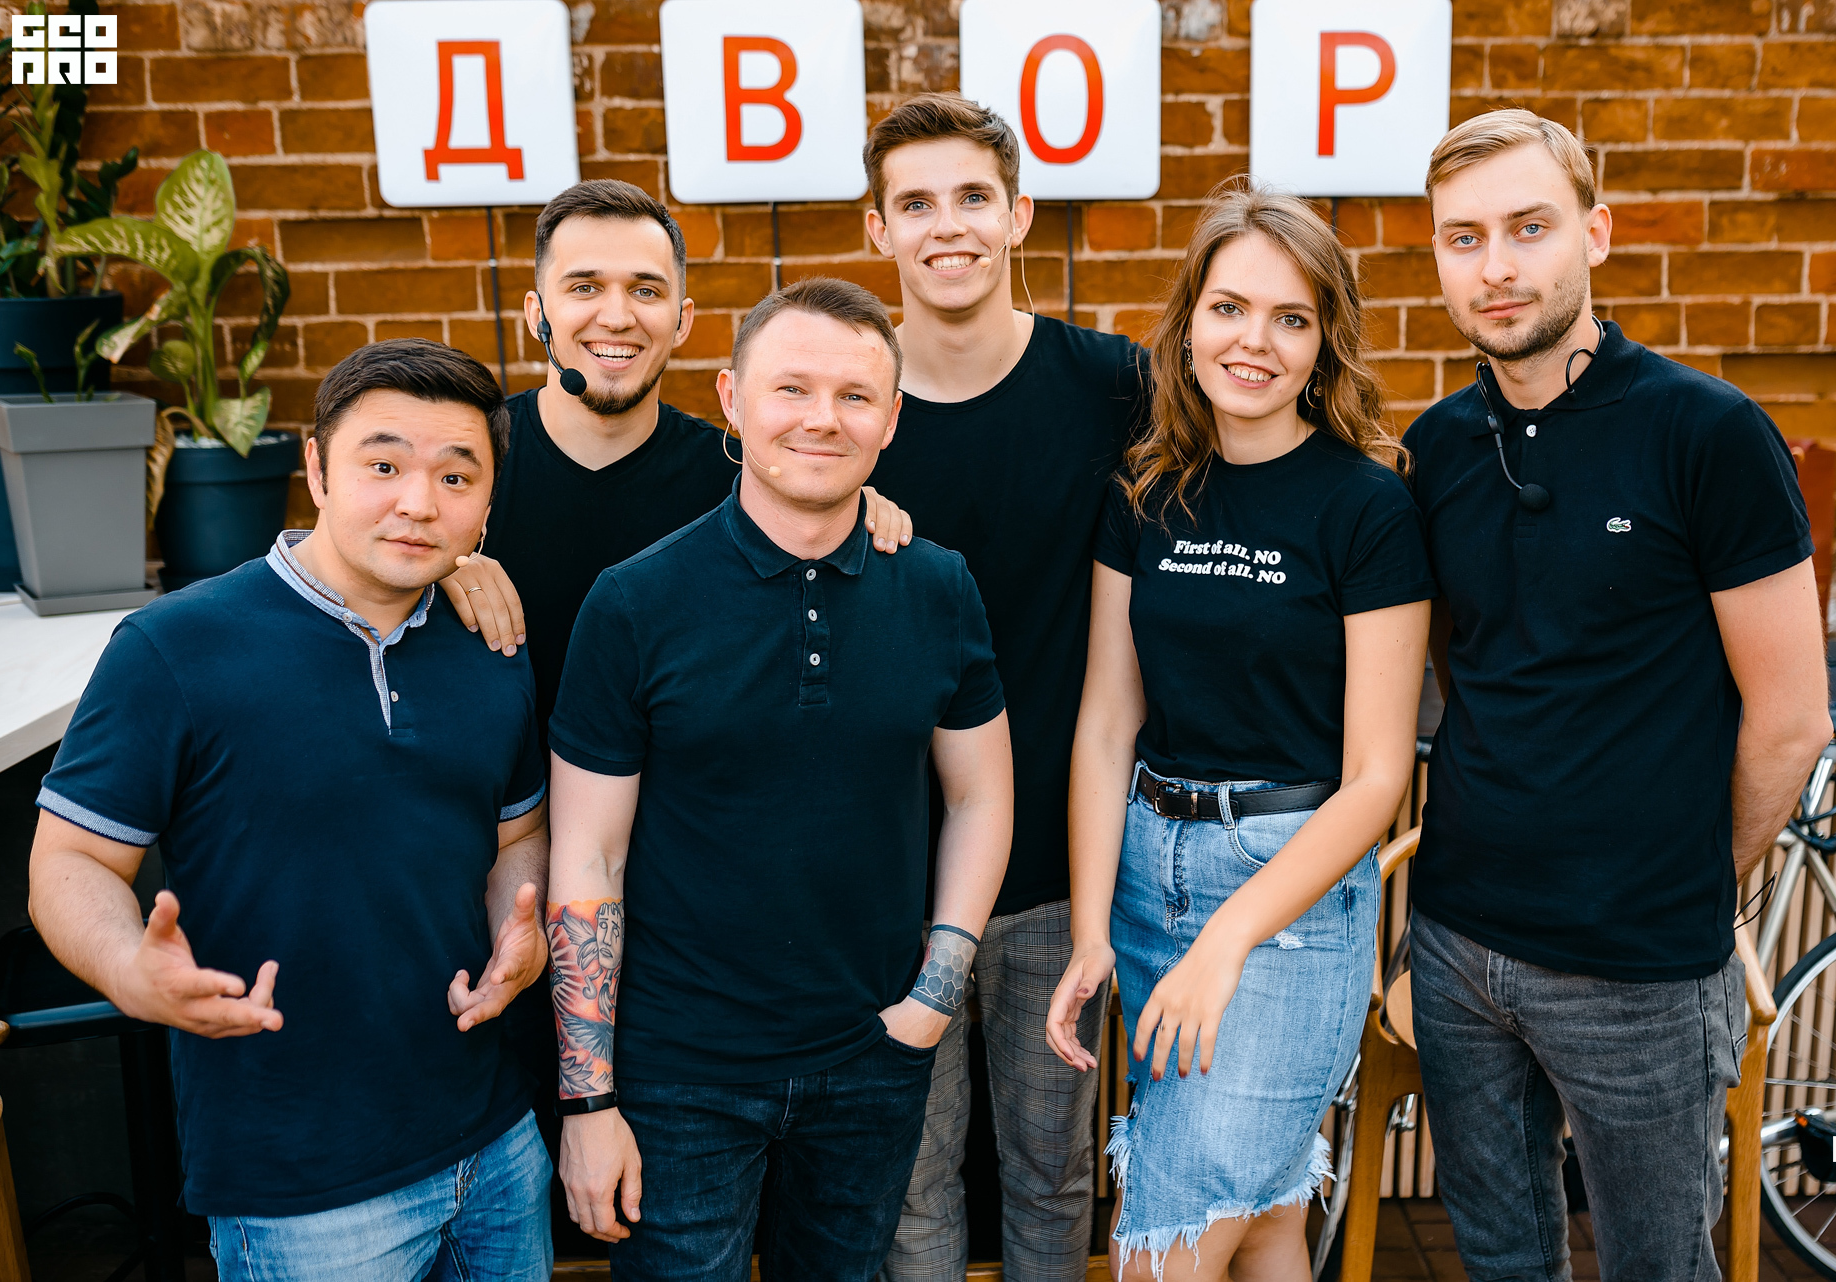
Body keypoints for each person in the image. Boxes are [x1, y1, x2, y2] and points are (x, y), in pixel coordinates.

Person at [433, 178, 913, 1251]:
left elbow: (826, 528)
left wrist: (859, 507)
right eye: (585, 286)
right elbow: (346, 552)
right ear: (535, 309)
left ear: (685, 320)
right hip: (492, 888)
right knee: (524, 1218)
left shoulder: (734, 471)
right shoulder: (465, 471)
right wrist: (435, 560)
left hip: (686, 935)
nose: (617, 314)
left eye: (646, 289)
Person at [1403, 108, 1832, 1281]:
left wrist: (1685, 876)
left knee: (1658, 1263)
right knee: (1500, 1256)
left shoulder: (1709, 433)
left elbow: (1792, 716)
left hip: (1640, 964)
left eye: (1529, 227)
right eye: (1463, 238)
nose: (1496, 266)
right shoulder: (1435, 450)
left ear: (1595, 232)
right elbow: (1463, 671)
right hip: (1458, 943)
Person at [28, 340, 554, 1280]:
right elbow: (69, 863)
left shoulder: (492, 643)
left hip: (498, 1142)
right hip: (301, 1183)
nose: (418, 502)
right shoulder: (173, 647)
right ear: (315, 468)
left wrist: (522, 931)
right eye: (383, 466)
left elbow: (518, 836)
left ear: (486, 500)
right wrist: (128, 971)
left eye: (456, 476)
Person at [541, 277, 1015, 1280]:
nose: (821, 419)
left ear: (891, 418)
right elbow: (587, 856)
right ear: (732, 398)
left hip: (873, 1058)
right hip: (679, 1074)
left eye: (854, 395)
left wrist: (933, 997)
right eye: (791, 388)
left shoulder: (939, 587)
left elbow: (980, 795)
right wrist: (588, 1099)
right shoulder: (634, 603)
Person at [1045, 185, 1431, 1281]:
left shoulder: (1367, 507)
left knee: (1169, 1238)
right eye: (1229, 308)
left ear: (1323, 344)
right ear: (1189, 324)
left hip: (1286, 898)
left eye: (1290, 318)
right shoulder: (1147, 491)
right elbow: (1107, 721)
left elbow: (1376, 778)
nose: (1253, 341)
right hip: (1148, 874)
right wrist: (1090, 930)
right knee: (1260, 1220)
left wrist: (1225, 943)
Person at [861, 92, 1149, 1282]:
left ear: (1019, 214)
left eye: (973, 197)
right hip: (887, 876)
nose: (948, 226)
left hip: (1056, 875)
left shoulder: (1112, 385)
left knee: (1050, 1181)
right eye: (916, 202)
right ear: (878, 228)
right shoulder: (841, 407)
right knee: (911, 1188)